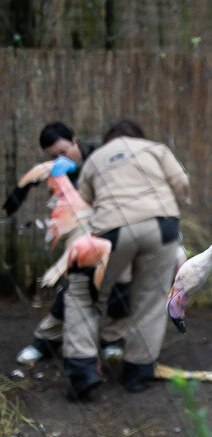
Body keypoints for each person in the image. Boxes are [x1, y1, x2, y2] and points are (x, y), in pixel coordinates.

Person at [63, 119, 189, 400]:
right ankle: (137, 372)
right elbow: (181, 181)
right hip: (162, 225)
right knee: (151, 298)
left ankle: (82, 370)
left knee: (84, 293)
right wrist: (171, 209)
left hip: (112, 229)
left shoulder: (96, 156)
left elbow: (83, 200)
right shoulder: (155, 149)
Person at [11, 122, 128, 366]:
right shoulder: (57, 169)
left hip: (118, 221)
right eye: (53, 156)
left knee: (121, 279)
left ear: (75, 140)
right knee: (76, 281)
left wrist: (75, 169)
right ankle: (46, 340)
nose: (59, 159)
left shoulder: (102, 149)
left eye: (63, 152)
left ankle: (113, 339)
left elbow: (108, 171)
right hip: (84, 227)